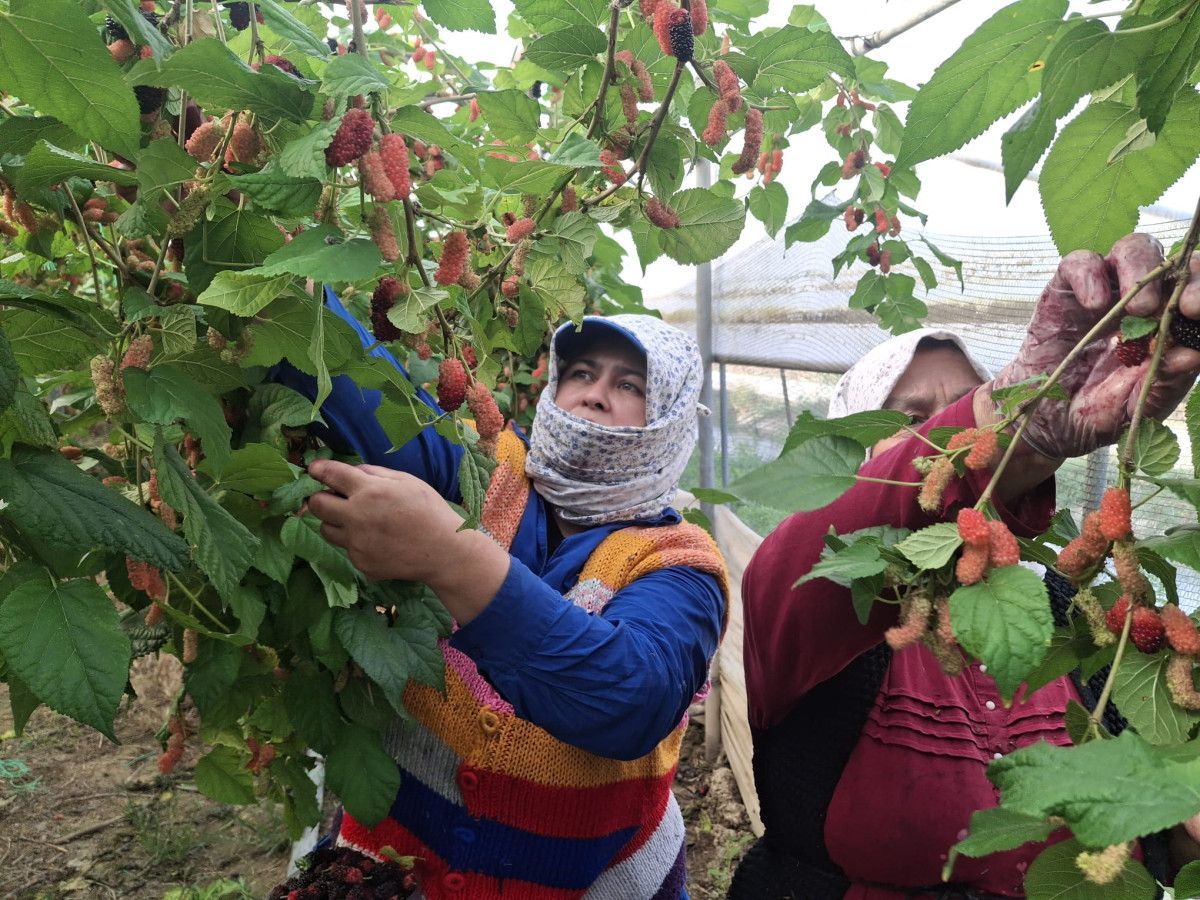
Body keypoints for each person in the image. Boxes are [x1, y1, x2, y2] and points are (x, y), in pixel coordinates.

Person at [729, 233, 1200, 899]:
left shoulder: (1065, 614)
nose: (945, 439)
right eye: (911, 419)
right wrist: (1010, 418)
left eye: (960, 405)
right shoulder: (820, 593)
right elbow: (826, 538)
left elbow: (1159, 829)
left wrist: (1180, 826)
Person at [277, 298, 728, 900]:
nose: (596, 394)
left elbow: (632, 698)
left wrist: (450, 556)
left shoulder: (680, 562)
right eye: (581, 373)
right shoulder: (486, 467)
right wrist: (291, 289)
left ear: (671, 419)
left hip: (592, 882)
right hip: (394, 864)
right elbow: (364, 397)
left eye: (630, 385)